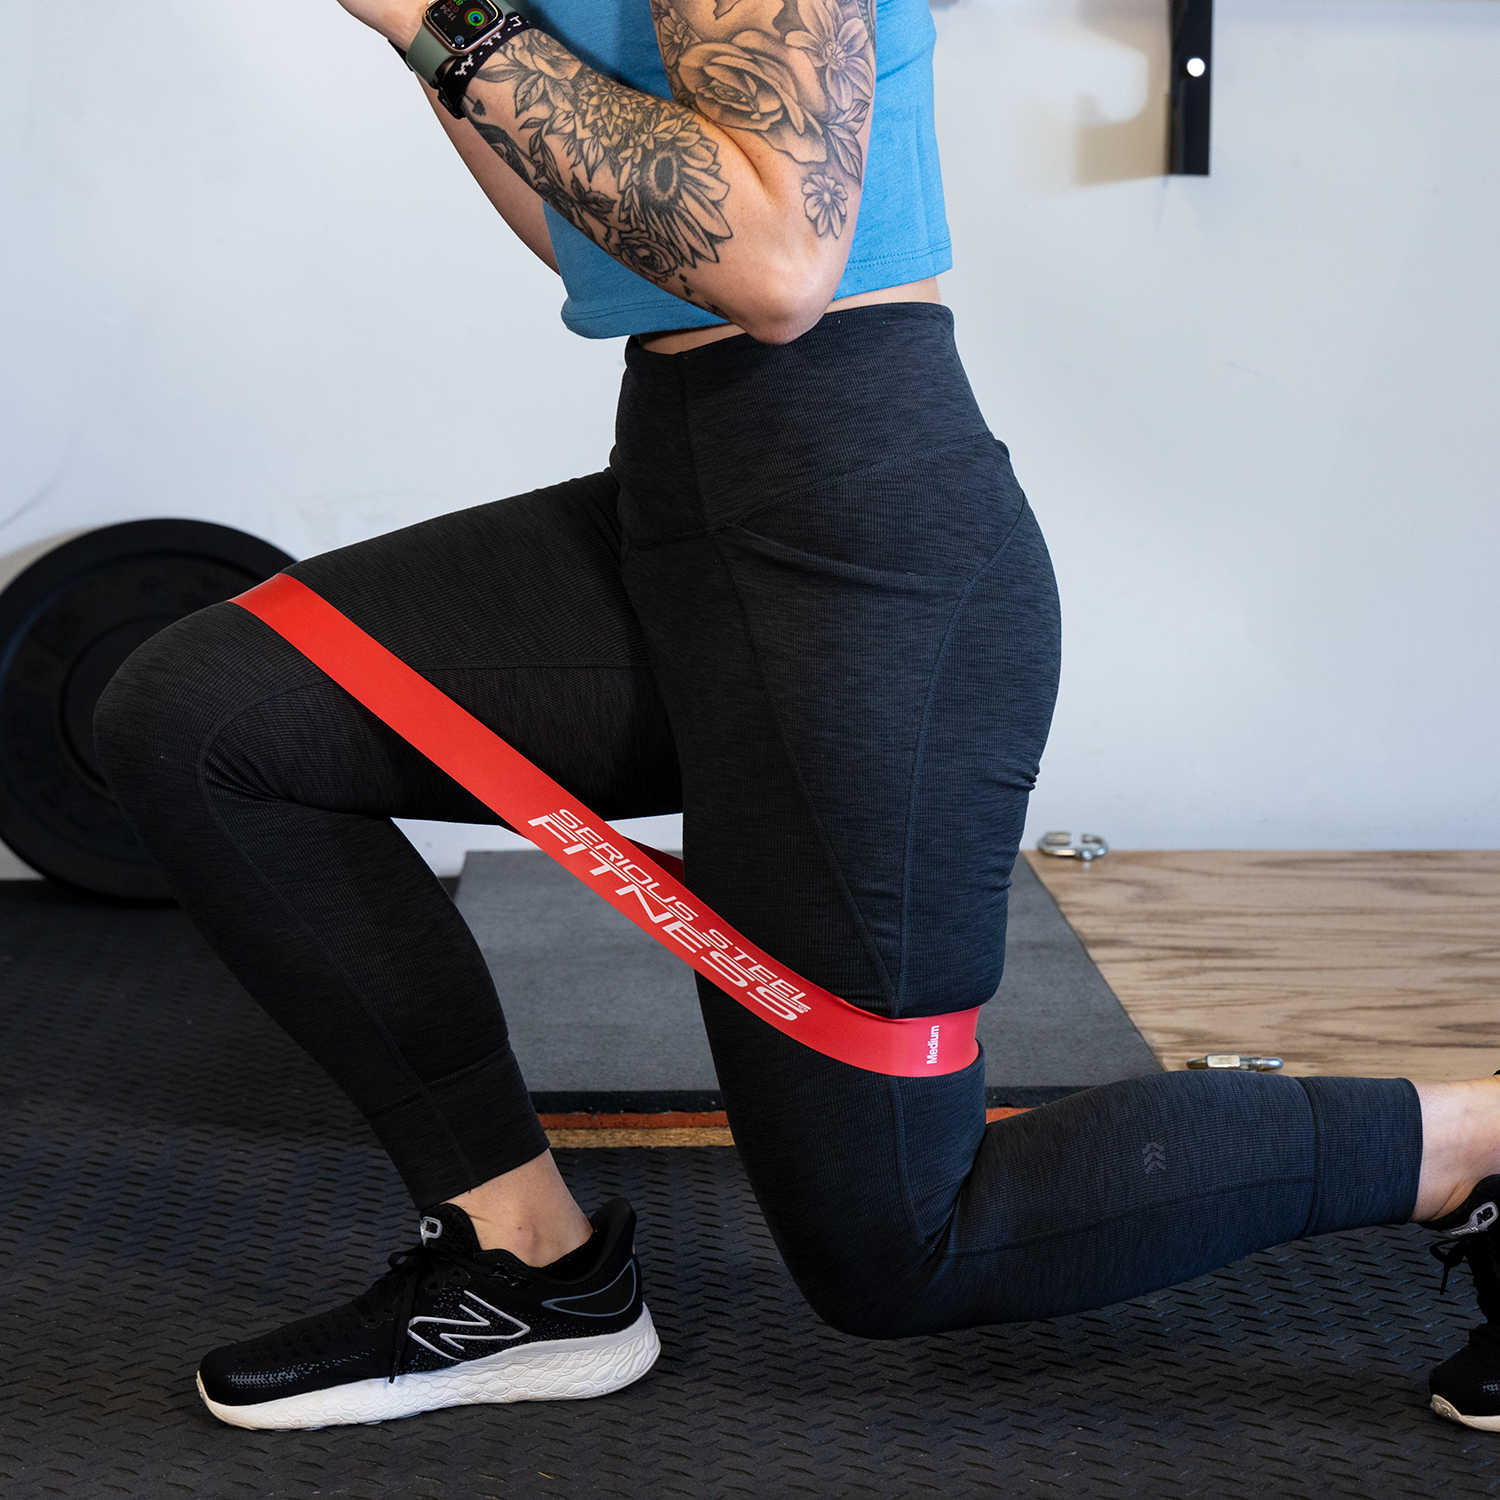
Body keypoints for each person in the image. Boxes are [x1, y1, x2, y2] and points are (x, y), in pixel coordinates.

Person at [95, 0, 1500, 1437]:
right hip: (685, 512)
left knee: (905, 1246)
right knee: (206, 717)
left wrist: (433, 16)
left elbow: (774, 262)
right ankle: (532, 1268)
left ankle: (1478, 1143)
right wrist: (430, 37)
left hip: (861, 551)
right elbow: (600, 231)